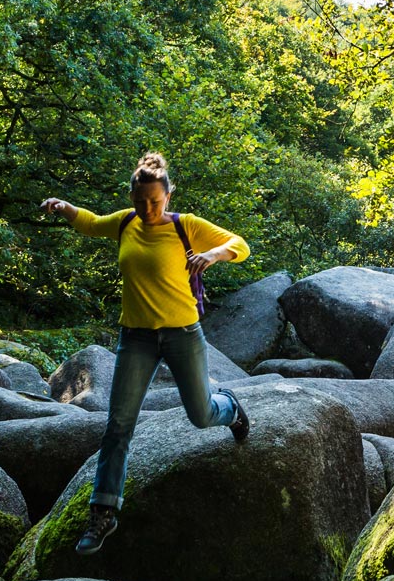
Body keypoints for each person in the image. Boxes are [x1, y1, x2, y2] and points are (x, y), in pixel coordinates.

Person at [41, 151, 251, 554]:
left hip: (182, 335)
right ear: (133, 197)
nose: (147, 209)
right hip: (135, 338)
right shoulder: (125, 222)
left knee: (201, 414)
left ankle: (231, 407)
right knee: (118, 424)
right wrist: (64, 207)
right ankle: (102, 513)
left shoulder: (185, 227)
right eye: (140, 201)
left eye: (154, 201)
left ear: (169, 196)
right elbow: (89, 223)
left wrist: (213, 254)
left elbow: (239, 244)